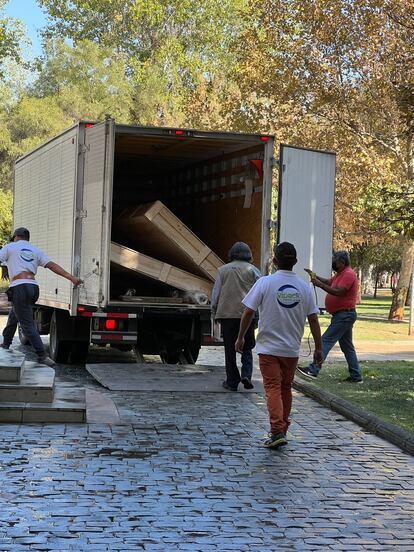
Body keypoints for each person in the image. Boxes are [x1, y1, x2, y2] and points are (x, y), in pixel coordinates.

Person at [235, 242, 323, 448]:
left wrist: (241, 337)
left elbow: (248, 311)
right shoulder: (304, 287)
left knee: (273, 388)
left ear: (274, 261)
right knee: (285, 388)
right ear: (296, 262)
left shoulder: (265, 283)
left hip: (268, 347)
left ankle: (276, 431)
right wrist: (319, 348)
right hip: (291, 349)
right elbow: (314, 319)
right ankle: (282, 428)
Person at [0, 227, 82, 366]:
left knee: (26, 324)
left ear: (16, 237)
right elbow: (52, 265)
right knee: (15, 314)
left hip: (20, 287)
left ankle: (42, 355)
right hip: (33, 287)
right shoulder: (35, 250)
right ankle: (6, 343)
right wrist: (71, 277)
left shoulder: (10, 247)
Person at [297, 250, 363, 383]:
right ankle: (356, 376)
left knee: (325, 341)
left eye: (335, 260)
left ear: (342, 262)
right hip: (342, 315)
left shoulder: (349, 274)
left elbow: (339, 292)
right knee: (347, 347)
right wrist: (315, 276)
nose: (333, 262)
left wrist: (319, 285)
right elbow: (328, 282)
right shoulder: (340, 274)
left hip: (345, 315)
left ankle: (313, 369)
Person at [211, 241, 261, 391]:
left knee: (229, 349)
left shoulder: (222, 270)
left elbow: (216, 293)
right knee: (247, 346)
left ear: (231, 254)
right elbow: (260, 292)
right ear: (249, 255)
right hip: (248, 314)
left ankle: (232, 381)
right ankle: (246, 374)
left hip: (227, 315)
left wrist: (214, 310)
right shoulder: (254, 270)